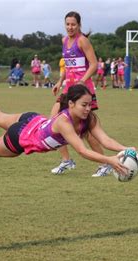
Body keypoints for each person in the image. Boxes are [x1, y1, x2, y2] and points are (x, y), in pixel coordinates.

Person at [0, 84, 134, 178]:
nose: (88, 109)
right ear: (70, 104)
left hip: (34, 120)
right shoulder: (64, 122)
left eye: (90, 105)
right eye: (83, 105)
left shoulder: (90, 118)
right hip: (21, 136)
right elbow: (82, 150)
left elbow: (105, 140)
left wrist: (126, 149)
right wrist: (109, 160)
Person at [51, 11, 110, 177]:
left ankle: (105, 164)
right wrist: (59, 81)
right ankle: (66, 160)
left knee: (87, 132)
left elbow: (94, 65)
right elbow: (67, 67)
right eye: (67, 24)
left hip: (83, 91)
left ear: (79, 25)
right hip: (68, 89)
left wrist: (82, 80)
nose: (70, 27)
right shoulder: (64, 40)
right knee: (54, 122)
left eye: (73, 24)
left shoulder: (83, 41)